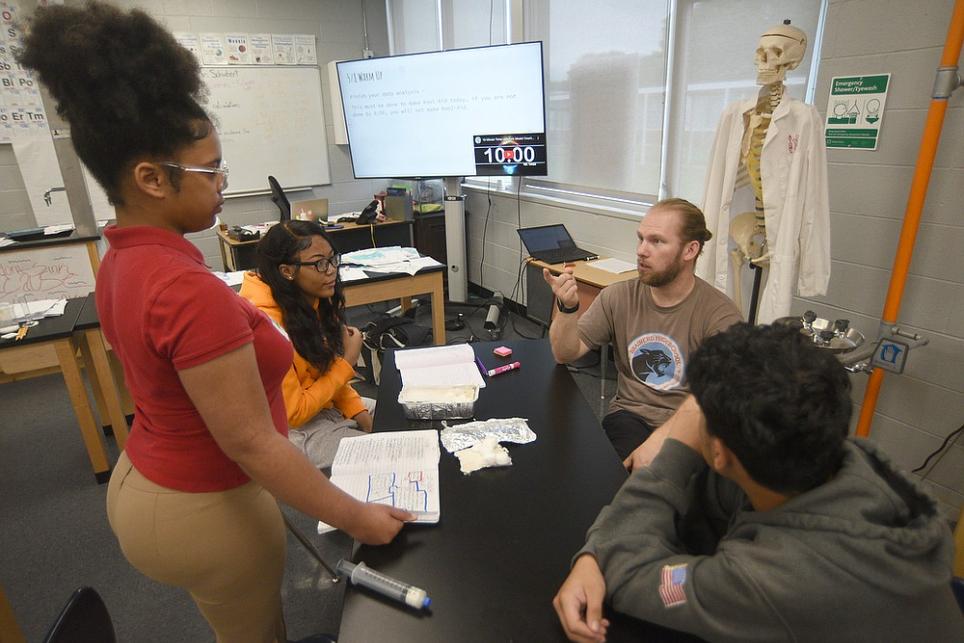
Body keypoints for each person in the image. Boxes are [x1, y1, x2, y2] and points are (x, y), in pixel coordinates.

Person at [17, 5, 411, 642]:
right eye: (211, 170)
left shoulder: (123, 257)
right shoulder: (186, 287)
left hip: (146, 477)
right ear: (150, 178)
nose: (224, 183)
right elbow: (253, 442)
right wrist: (359, 519)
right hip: (200, 504)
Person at [553, 323, 962, 643]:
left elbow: (632, 572)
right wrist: (594, 556)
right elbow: (703, 498)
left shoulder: (771, 583)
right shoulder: (840, 458)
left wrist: (678, 438)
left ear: (720, 454)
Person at [543, 198, 741, 462]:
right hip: (630, 415)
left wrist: (658, 444)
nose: (641, 251)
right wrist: (568, 308)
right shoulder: (618, 297)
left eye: (656, 241)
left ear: (690, 250)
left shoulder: (720, 315)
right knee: (611, 482)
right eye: (641, 239)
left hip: (692, 423)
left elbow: (718, 401)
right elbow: (564, 353)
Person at [240, 221, 371, 470]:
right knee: (383, 455)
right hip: (292, 430)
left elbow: (326, 370)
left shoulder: (311, 297)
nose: (331, 270)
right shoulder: (265, 324)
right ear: (287, 271)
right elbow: (295, 412)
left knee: (398, 416)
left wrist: (360, 413)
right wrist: (347, 363)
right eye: (320, 263)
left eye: (333, 259)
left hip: (324, 405)